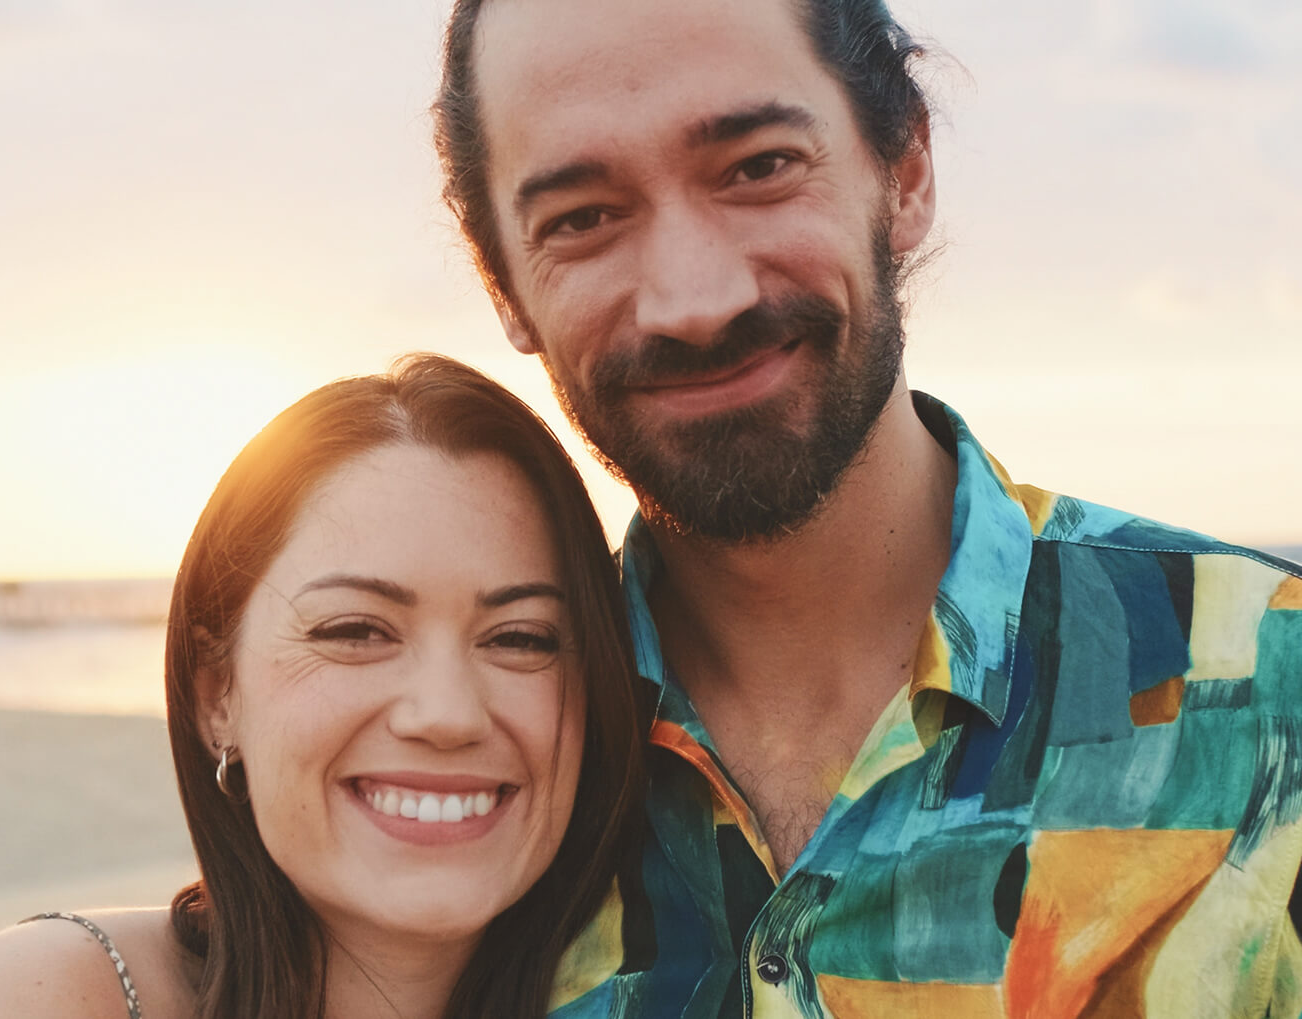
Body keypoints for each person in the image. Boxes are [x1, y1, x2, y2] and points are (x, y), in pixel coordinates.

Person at [430, 0, 1302, 1014]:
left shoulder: (1272, 682)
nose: (693, 297)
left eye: (757, 165)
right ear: (500, 279)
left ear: (907, 174)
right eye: (580, 218)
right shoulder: (476, 770)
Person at [0, 355, 650, 1018]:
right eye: (356, 631)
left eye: (521, 638)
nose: (448, 712)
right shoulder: (51, 996)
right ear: (215, 695)